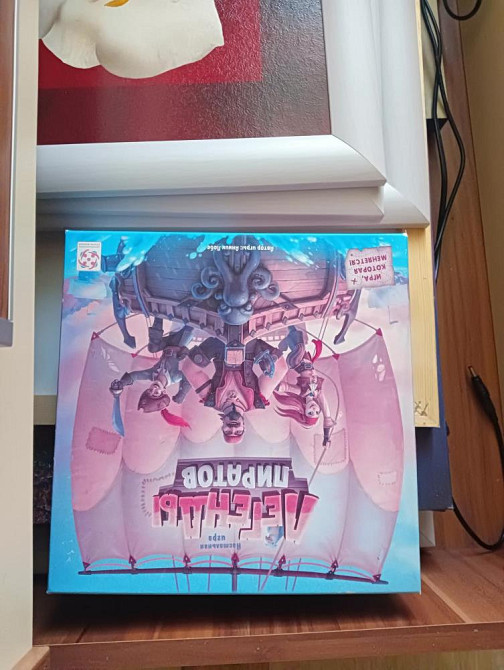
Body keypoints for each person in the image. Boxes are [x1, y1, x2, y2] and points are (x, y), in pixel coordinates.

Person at [109, 318, 193, 429]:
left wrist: (121, 383)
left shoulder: (152, 374)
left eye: (150, 391)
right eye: (156, 393)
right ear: (163, 391)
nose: (154, 389)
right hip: (181, 340)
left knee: (152, 348)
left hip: (169, 342)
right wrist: (182, 393)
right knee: (187, 323)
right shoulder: (174, 377)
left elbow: (134, 376)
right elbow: (188, 377)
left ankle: (158, 316)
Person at [274, 327, 334, 446]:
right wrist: (326, 437)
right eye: (316, 412)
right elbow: (327, 417)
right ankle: (287, 338)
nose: (314, 409)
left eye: (310, 412)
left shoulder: (302, 392)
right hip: (307, 362)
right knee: (297, 343)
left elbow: (286, 388)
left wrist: (279, 387)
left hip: (297, 362)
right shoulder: (317, 393)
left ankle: (288, 335)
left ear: (304, 410)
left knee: (299, 345)